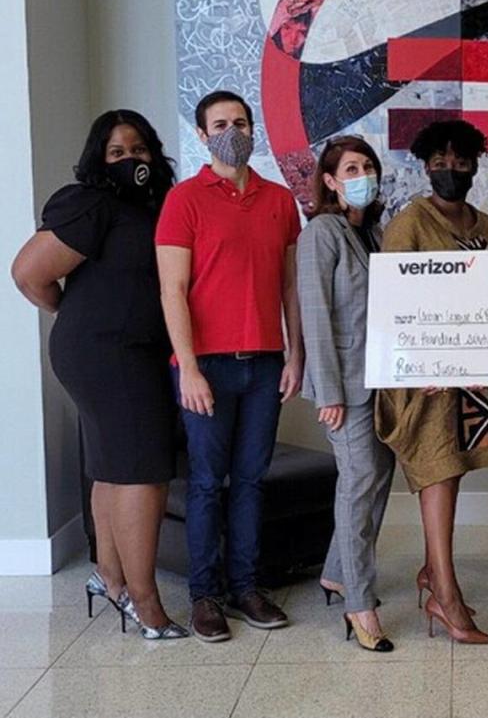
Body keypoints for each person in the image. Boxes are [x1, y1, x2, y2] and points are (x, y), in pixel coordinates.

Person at [11, 110, 187, 640]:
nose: (131, 160)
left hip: (132, 350)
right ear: (98, 160)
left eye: (139, 150)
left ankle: (110, 581)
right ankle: (145, 603)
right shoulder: (92, 202)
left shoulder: (157, 208)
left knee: (112, 466)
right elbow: (27, 272)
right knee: (142, 470)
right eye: (117, 153)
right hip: (106, 352)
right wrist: (74, 310)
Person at [155, 90, 304, 643]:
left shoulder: (279, 201)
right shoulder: (184, 200)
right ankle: (205, 596)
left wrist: (297, 354)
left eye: (241, 122)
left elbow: (291, 285)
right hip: (206, 368)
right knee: (206, 486)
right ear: (201, 135)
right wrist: (188, 368)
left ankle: (245, 588)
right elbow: (172, 290)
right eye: (220, 124)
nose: (232, 131)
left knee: (250, 481)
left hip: (265, 364)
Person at [376, 119, 488, 644]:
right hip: (428, 378)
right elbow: (393, 304)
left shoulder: (487, 225)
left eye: (460, 161)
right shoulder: (409, 222)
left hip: (473, 378)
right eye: (439, 161)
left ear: (475, 163)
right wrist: (422, 365)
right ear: (424, 165)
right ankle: (446, 598)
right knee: (438, 474)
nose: (449, 169)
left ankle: (434, 574)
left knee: (455, 472)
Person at [297, 135, 395, 652]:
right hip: (343, 387)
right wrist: (328, 394)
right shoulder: (322, 233)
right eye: (351, 168)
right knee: (358, 485)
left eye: (368, 166)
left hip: (380, 380)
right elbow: (316, 317)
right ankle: (361, 603)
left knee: (379, 477)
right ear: (331, 181)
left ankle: (337, 572)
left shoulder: (374, 233)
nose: (362, 175)